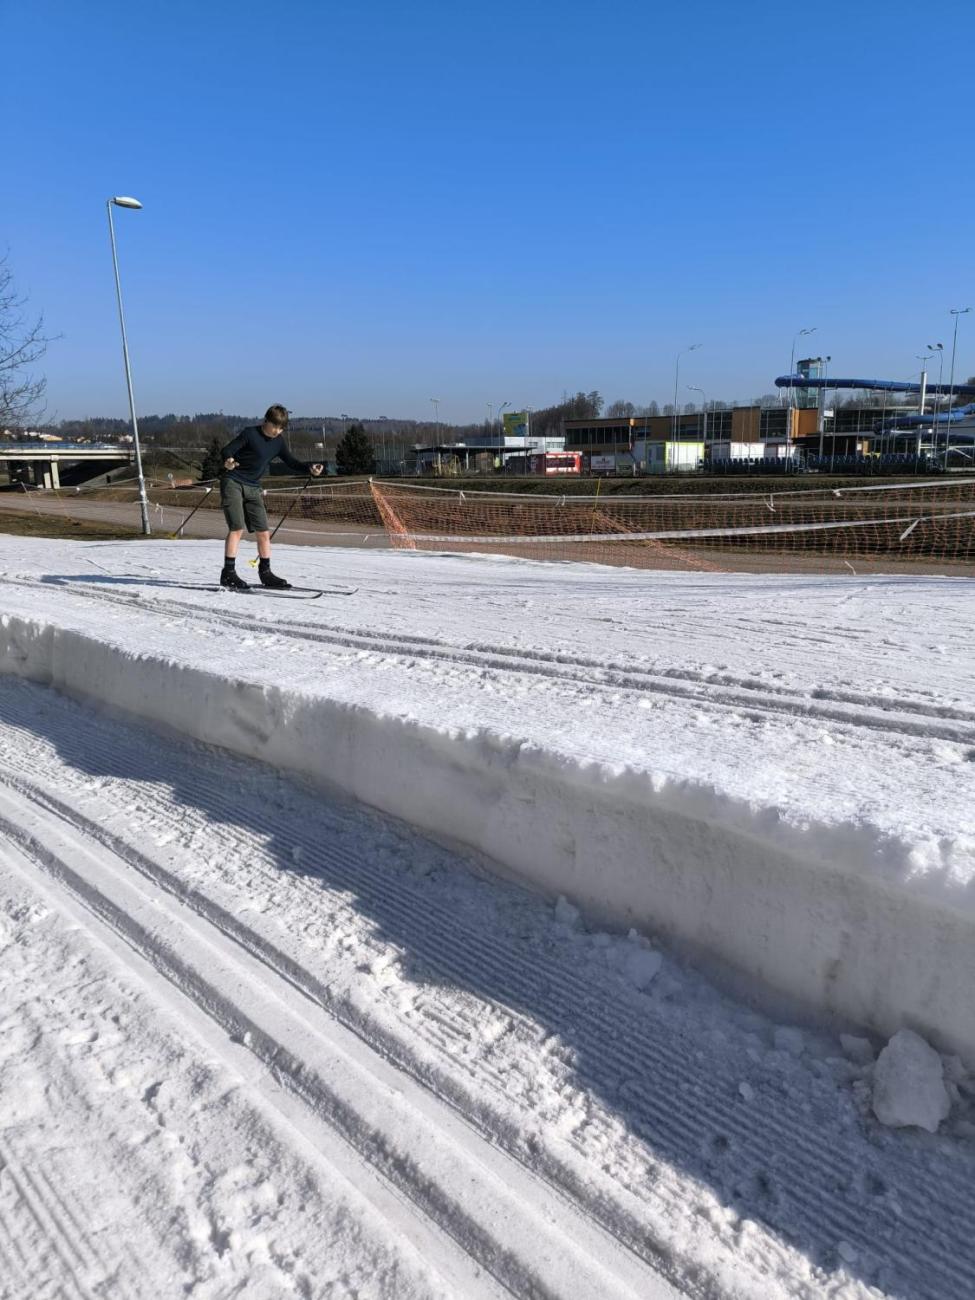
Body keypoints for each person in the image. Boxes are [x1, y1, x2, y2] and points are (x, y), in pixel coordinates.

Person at [218, 404, 323, 590]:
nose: (277, 431)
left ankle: (265, 573)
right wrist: (229, 461)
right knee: (237, 528)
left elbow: (291, 462)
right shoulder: (250, 433)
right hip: (233, 481)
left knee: (264, 532)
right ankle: (228, 573)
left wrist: (309, 468)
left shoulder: (278, 442)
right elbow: (227, 450)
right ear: (265, 421)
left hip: (254, 487)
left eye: (281, 427)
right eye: (275, 426)